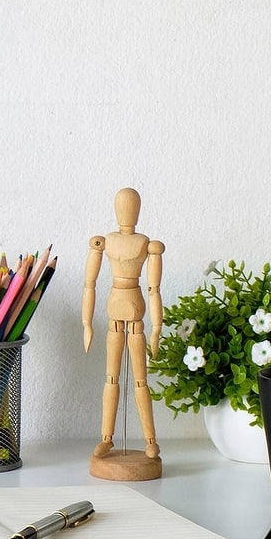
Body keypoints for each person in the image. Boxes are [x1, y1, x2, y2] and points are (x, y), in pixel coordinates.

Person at [82, 188, 164, 463]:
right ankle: (106, 438)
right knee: (111, 378)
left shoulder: (146, 244)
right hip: (115, 310)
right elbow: (89, 283)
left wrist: (156, 328)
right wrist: (86, 323)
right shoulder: (106, 241)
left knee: (140, 380)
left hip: (136, 310)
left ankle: (150, 440)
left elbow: (154, 289)